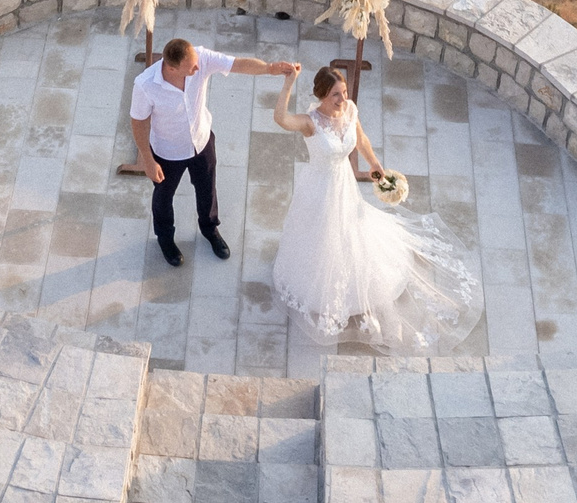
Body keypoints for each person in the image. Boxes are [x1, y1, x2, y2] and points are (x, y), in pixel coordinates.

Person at [268, 66, 480, 353]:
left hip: (345, 185)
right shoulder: (311, 123)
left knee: (353, 232)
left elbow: (362, 139)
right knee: (321, 237)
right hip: (319, 189)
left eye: (343, 93)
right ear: (320, 95)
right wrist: (288, 83)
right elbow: (280, 118)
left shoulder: (350, 110)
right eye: (335, 95)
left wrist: (374, 164)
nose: (342, 100)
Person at [131, 37, 299, 267]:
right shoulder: (145, 85)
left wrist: (269, 68)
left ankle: (210, 229)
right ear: (172, 68)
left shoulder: (200, 57)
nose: (198, 67)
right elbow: (139, 123)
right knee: (163, 197)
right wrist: (148, 161)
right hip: (167, 151)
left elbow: (238, 64)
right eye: (191, 67)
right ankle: (166, 239)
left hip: (201, 141)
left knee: (207, 188)